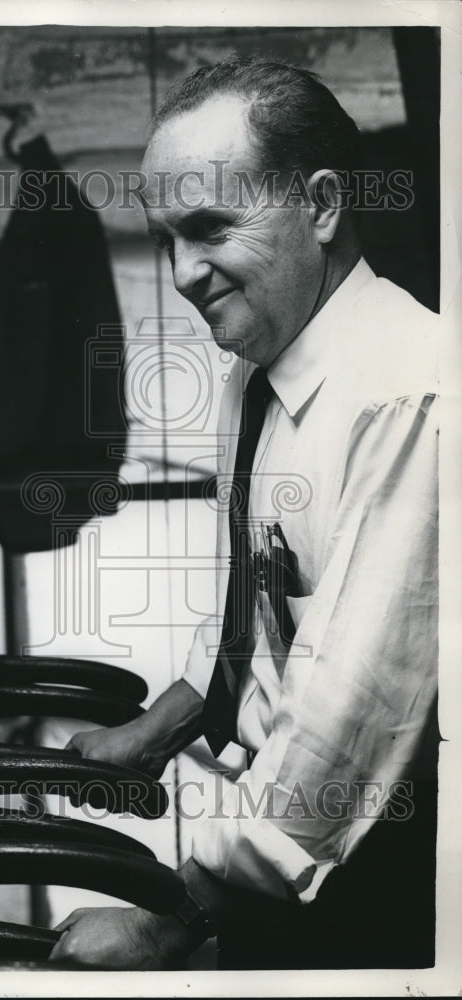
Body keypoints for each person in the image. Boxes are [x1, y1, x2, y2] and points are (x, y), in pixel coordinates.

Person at [49, 57, 439, 970]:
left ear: (323, 206)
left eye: (209, 228)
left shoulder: (408, 396)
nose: (183, 273)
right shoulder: (258, 371)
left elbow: (347, 717)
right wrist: (158, 729)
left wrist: (171, 914)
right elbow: (260, 604)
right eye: (164, 240)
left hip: (369, 883)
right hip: (275, 860)